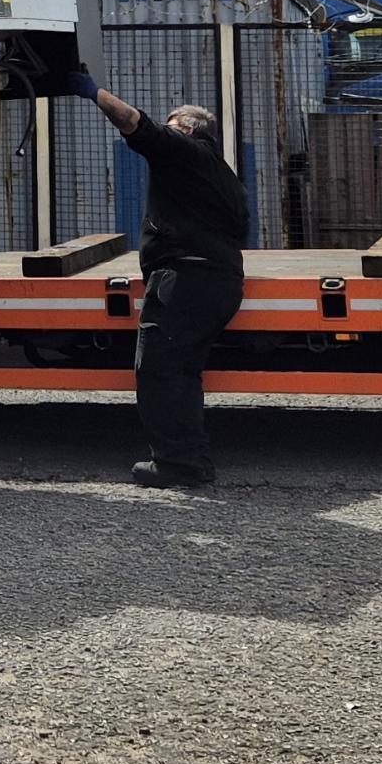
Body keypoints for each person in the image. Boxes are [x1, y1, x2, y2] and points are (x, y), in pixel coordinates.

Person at [81, 75, 247, 488]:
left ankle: (178, 463)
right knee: (182, 371)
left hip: (185, 281)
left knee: (158, 369)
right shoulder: (222, 175)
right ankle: (191, 460)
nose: (168, 133)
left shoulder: (187, 150)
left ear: (188, 129)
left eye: (174, 126)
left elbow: (140, 127)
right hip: (218, 281)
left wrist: (91, 91)